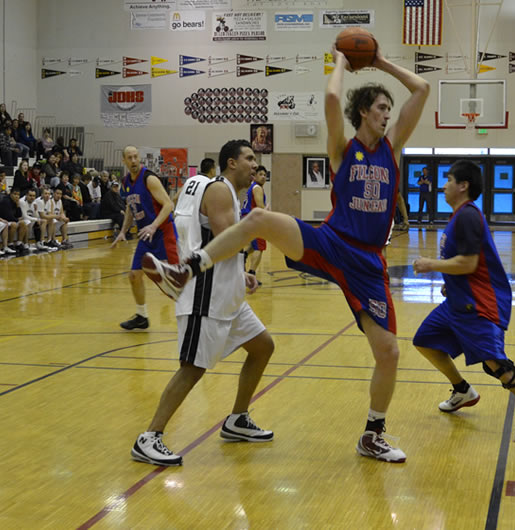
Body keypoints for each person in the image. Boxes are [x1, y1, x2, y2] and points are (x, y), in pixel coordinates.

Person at [143, 43, 430, 463]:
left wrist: (380, 61)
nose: (388, 114)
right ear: (364, 112)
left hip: (369, 260)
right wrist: (341, 62)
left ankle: (373, 434)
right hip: (332, 241)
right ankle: (186, 270)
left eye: (390, 108)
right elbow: (331, 97)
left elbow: (421, 89)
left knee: (389, 352)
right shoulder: (343, 150)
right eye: (382, 107)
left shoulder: (393, 147)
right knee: (260, 218)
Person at [132, 140, 275, 467]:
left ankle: (237, 419)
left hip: (227, 294)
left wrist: (240, 273)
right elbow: (229, 241)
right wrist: (261, 227)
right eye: (249, 158)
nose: (255, 164)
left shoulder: (220, 190)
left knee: (263, 346)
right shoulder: (221, 191)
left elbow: (217, 244)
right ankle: (149, 437)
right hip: (205, 296)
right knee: (192, 368)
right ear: (231, 163)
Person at [412, 160, 515, 440]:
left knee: (494, 363)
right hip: (458, 301)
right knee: (425, 340)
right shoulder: (458, 216)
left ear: (463, 185)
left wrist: (431, 264)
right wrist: (451, 283)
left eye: (449, 179)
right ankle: (462, 390)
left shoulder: (467, 216)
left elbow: (468, 262)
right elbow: (465, 264)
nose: (444, 185)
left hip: (480, 304)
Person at [111, 146, 178, 331]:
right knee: (134, 275)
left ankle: (195, 310)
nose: (133, 160)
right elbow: (130, 209)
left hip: (162, 232)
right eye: (129, 158)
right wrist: (123, 231)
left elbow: (168, 205)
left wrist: (154, 225)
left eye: (135, 157)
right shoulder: (126, 182)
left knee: (173, 280)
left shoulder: (149, 178)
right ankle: (142, 316)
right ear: (124, 161)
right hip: (145, 235)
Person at [241, 165, 269, 281]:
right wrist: (267, 211)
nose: (263, 177)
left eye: (265, 175)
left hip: (247, 218)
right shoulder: (257, 188)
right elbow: (260, 206)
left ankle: (243, 256)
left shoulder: (253, 187)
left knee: (254, 244)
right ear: (255, 176)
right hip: (253, 219)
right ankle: (251, 274)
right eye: (260, 174)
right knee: (260, 247)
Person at [0, 188, 21, 255]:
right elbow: (9, 216)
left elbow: (19, 215)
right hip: (5, 219)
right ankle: (10, 244)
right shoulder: (6, 201)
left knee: (23, 223)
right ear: (10, 194)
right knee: (13, 224)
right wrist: (18, 220)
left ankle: (18, 244)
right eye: (15, 194)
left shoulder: (15, 201)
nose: (17, 196)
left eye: (18, 195)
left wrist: (18, 206)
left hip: (5, 220)